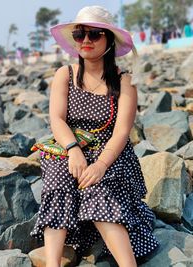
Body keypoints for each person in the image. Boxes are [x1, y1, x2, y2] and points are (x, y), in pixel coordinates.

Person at [31, 5, 159, 267]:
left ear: (109, 40)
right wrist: (73, 150)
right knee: (57, 180)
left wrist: (100, 165)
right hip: (70, 146)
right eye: (80, 34)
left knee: (95, 186)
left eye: (95, 34)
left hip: (110, 152)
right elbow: (56, 119)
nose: (86, 40)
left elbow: (123, 131)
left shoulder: (124, 81)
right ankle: (52, 263)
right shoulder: (64, 75)